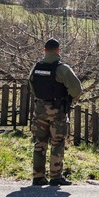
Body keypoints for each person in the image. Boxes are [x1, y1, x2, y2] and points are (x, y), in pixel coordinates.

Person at [28, 38, 83, 186]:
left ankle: (38, 177)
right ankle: (55, 177)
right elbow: (77, 89)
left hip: (39, 110)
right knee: (57, 142)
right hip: (57, 111)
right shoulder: (62, 69)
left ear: (44, 51)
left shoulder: (36, 67)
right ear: (58, 50)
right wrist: (71, 100)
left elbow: (31, 86)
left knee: (39, 143)